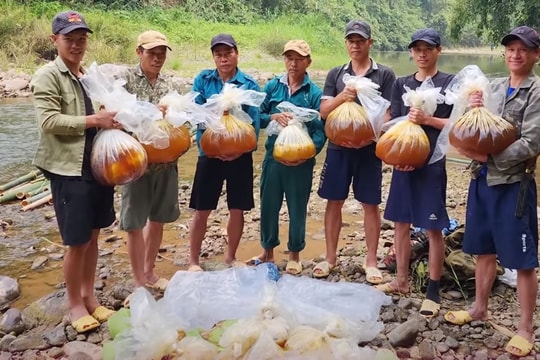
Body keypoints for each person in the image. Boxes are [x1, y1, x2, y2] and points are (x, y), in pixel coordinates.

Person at [444, 26, 540, 357]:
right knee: (483, 250)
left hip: (514, 185)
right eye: (511, 49)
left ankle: (525, 328)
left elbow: (531, 142)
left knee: (523, 260)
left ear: (535, 55)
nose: (515, 54)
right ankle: (479, 308)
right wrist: (472, 109)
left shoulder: (537, 91)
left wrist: (490, 157)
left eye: (523, 49)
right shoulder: (494, 87)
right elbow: (479, 130)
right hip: (481, 180)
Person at [31, 10, 118, 333]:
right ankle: (74, 305)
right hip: (68, 170)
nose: (77, 45)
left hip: (98, 167)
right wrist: (96, 121)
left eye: (81, 39)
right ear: (55, 40)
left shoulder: (88, 76)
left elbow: (104, 112)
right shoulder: (47, 76)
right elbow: (49, 122)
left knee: (94, 236)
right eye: (69, 39)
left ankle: (89, 296)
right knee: (76, 240)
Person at [374, 28, 454, 320]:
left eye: (428, 48)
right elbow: (394, 121)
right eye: (417, 48)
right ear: (411, 52)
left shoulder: (449, 83)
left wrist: (427, 118)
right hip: (403, 164)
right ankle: (402, 280)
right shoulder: (401, 84)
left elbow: (456, 125)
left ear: (438, 50)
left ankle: (433, 289)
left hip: (433, 163)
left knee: (433, 228)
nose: (422, 53)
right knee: (401, 222)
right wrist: (396, 158)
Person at [314, 20, 395, 281]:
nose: (355, 45)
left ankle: (371, 260)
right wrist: (343, 97)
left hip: (369, 150)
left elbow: (388, 115)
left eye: (360, 40)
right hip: (338, 149)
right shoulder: (337, 75)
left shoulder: (384, 75)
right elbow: (324, 112)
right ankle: (330, 258)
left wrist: (369, 138)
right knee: (333, 201)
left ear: (370, 43)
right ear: (346, 43)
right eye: (351, 40)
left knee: (370, 203)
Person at [249, 40, 326, 274]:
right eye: (289, 58)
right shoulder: (273, 86)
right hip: (274, 157)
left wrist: (308, 152)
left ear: (308, 62)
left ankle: (295, 254)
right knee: (268, 205)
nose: (293, 63)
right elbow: (257, 116)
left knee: (297, 207)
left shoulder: (314, 93)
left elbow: (320, 131)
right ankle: (267, 251)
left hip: (301, 163)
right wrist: (273, 117)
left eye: (299, 59)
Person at [188, 34, 261, 271]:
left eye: (227, 53)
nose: (223, 59)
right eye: (218, 55)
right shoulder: (203, 80)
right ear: (213, 57)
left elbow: (254, 123)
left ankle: (230, 258)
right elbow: (196, 114)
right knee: (202, 208)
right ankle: (193, 261)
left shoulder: (249, 85)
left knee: (237, 207)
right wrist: (209, 143)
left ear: (236, 54)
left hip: (240, 157)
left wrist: (243, 149)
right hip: (209, 155)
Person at [119, 30, 182, 292]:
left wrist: (177, 115)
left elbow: (182, 119)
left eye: (162, 53)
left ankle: (149, 271)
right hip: (136, 164)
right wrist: (148, 113)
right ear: (139, 52)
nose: (157, 58)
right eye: (152, 53)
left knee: (158, 219)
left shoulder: (170, 85)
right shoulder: (125, 80)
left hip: (166, 162)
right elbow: (116, 115)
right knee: (134, 222)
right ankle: (138, 281)